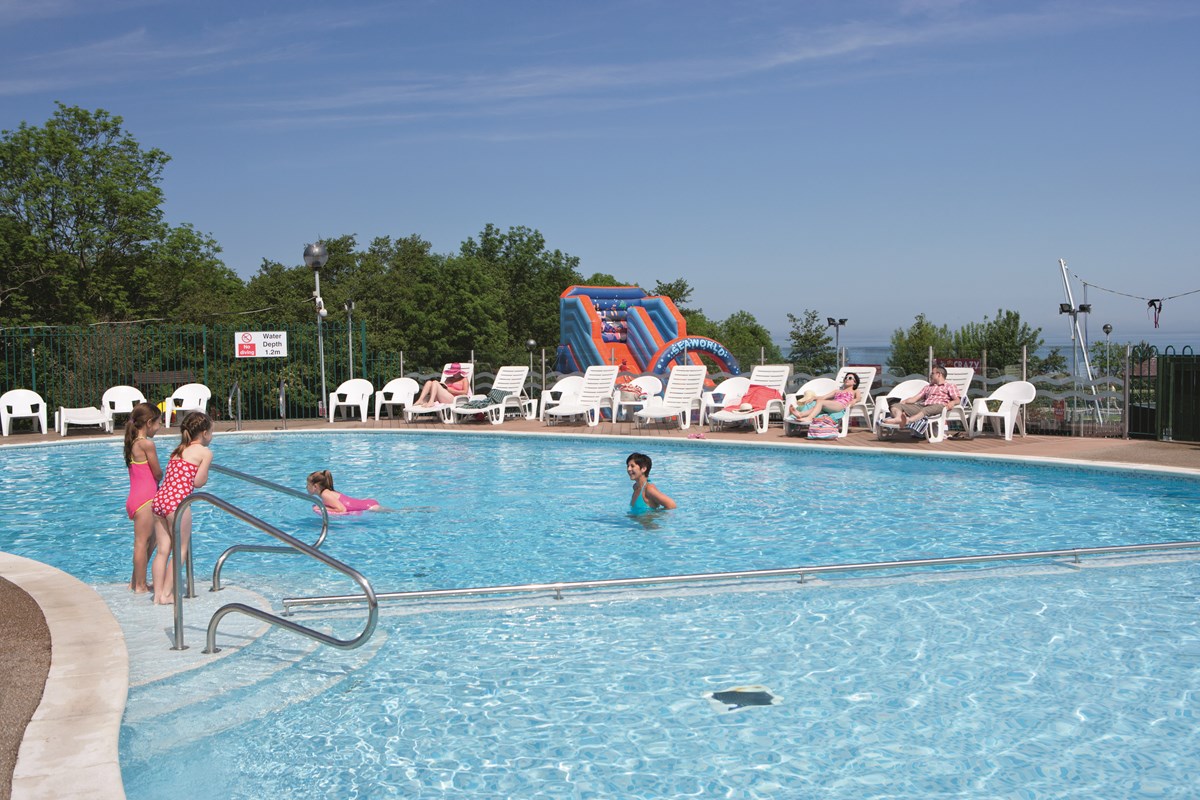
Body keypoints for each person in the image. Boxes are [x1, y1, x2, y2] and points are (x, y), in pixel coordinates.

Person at [150, 411, 214, 605]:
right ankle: (167, 594)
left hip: (160, 500)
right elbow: (198, 482)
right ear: (204, 433)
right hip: (178, 503)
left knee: (162, 550)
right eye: (212, 432)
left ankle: (157, 594)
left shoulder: (178, 449)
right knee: (181, 549)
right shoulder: (205, 452)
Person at [123, 402, 164, 594]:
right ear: (149, 423)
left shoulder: (132, 443)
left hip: (137, 498)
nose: (160, 426)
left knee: (152, 540)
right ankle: (139, 585)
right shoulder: (147, 444)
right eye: (158, 423)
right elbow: (157, 473)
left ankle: (135, 581)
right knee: (142, 542)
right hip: (146, 499)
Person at [880, 365, 961, 427]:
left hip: (939, 406)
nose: (930, 375)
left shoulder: (950, 386)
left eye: (932, 373)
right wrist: (904, 402)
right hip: (922, 406)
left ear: (939, 374)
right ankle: (898, 418)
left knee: (926, 410)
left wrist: (953, 403)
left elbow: (957, 399)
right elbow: (915, 398)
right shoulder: (928, 387)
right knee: (895, 405)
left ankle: (908, 421)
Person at [789, 372, 862, 423]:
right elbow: (824, 397)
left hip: (841, 405)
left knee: (820, 402)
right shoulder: (837, 391)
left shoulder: (855, 391)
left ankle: (809, 418)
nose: (846, 379)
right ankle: (800, 414)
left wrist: (853, 401)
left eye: (850, 378)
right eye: (845, 377)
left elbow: (858, 398)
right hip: (833, 404)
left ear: (855, 382)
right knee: (817, 404)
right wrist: (814, 397)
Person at [307, 470, 383, 514]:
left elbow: (342, 509)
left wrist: (322, 508)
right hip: (366, 504)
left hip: (369, 507)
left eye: (308, 485)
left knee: (394, 513)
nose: (306, 487)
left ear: (315, 486)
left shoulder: (325, 494)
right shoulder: (327, 492)